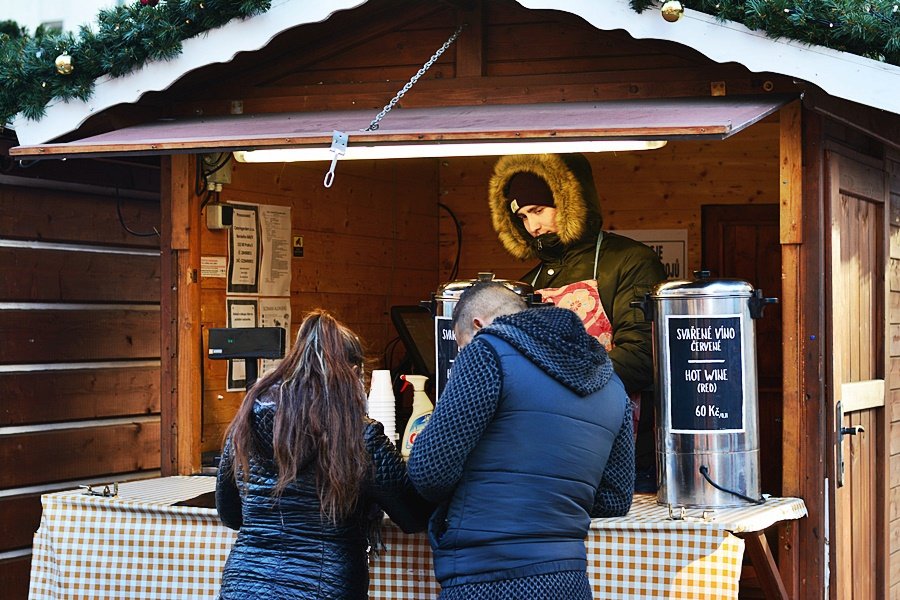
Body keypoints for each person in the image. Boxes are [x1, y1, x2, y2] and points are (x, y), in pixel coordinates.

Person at [408, 282, 634, 599]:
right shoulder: (613, 384)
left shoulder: (486, 351)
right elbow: (615, 498)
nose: (463, 354)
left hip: (484, 578)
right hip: (568, 582)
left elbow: (429, 472)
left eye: (461, 347)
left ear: (479, 326)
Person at [215, 310, 432, 599]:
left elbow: (230, 513)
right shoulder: (361, 435)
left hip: (244, 586)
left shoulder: (246, 424)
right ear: (354, 374)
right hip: (325, 587)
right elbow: (413, 515)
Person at [488, 152, 667, 490]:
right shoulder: (529, 282)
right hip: (547, 453)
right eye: (524, 217)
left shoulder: (630, 262)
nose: (533, 227)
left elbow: (645, 355)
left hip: (623, 452)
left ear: (570, 201)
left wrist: (558, 383)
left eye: (539, 211)